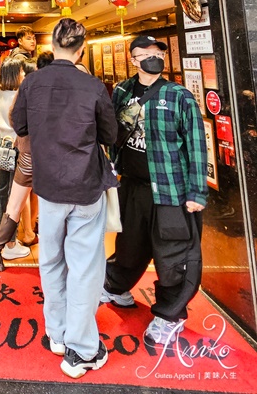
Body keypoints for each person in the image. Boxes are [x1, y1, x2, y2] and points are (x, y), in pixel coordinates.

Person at [11, 18, 118, 379]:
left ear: (52, 45)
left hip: (49, 188)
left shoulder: (32, 82)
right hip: (86, 187)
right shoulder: (92, 86)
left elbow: (20, 126)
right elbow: (110, 133)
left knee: (51, 261)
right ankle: (83, 350)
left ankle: (57, 335)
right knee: (85, 267)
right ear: (82, 49)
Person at [101, 35, 208, 350]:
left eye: (157, 53)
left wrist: (197, 192)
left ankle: (170, 315)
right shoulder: (121, 91)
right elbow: (110, 135)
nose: (152, 57)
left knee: (172, 255)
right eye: (144, 53)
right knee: (129, 244)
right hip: (131, 184)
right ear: (133, 59)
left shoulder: (179, 96)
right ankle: (117, 287)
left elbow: (197, 146)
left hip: (171, 189)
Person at [0, 56, 30, 262]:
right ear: (15, 74)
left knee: (1, 191)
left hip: (0, 144)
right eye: (21, 72)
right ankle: (10, 243)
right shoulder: (20, 94)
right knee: (15, 196)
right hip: (16, 146)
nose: (24, 75)